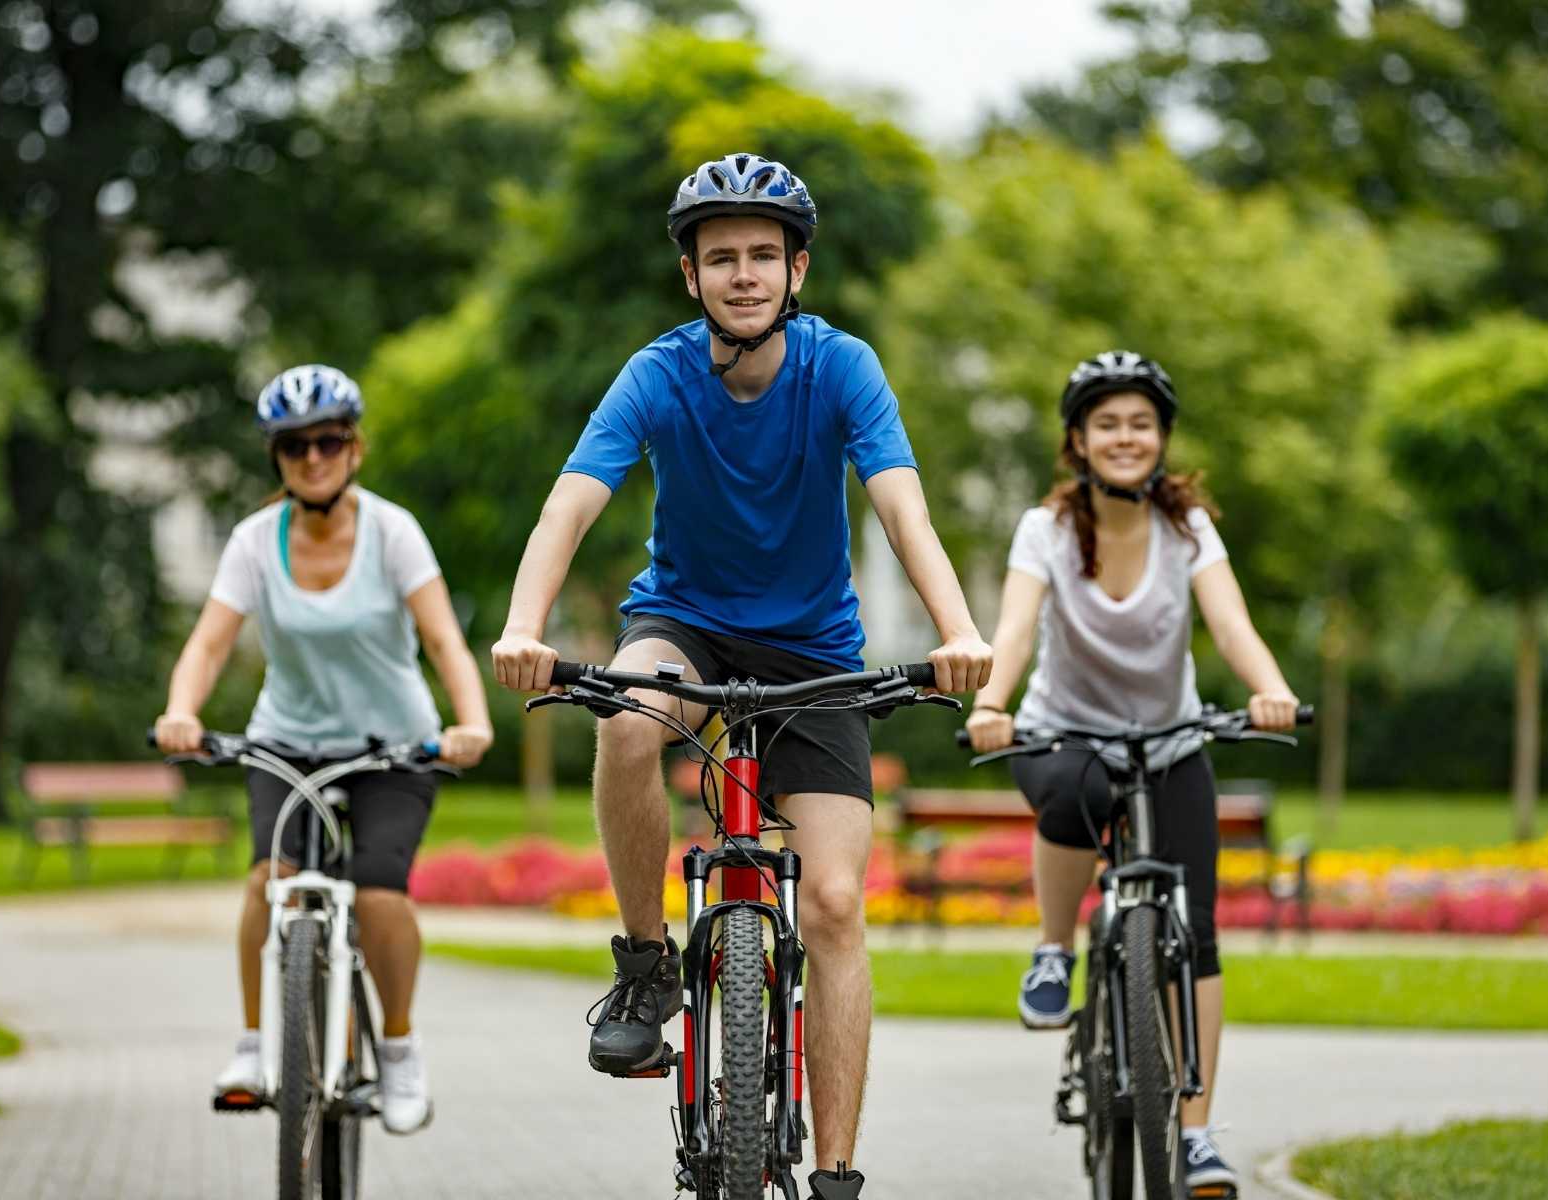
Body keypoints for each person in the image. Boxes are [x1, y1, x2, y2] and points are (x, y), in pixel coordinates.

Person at [491, 153, 991, 1199]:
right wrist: (524, 624)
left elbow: (903, 507)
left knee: (841, 905)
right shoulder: (657, 374)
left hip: (815, 649)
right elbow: (568, 503)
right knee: (627, 721)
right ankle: (644, 965)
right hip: (686, 625)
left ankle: (840, 1173)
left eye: (765, 254)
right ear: (692, 277)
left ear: (797, 268)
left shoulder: (842, 367)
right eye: (722, 258)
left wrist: (958, 632)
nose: (745, 274)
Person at [963, 350, 1299, 1193]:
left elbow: (1230, 623)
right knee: (1078, 793)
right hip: (1061, 738)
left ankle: (1194, 1135)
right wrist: (990, 702)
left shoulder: (1188, 530)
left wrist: (1271, 690)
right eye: (1106, 423)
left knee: (1202, 932)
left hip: (1170, 740)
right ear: (1078, 440)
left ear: (1161, 438)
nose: (1125, 437)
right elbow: (1015, 627)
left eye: (1140, 424)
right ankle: (1052, 951)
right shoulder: (1045, 529)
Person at [153, 364, 493, 1134]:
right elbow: (209, 645)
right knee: (265, 882)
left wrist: (469, 722)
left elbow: (442, 638)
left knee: (377, 894)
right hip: (288, 744)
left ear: (355, 448)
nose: (313, 457)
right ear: (276, 457)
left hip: (392, 748)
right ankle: (250, 1048)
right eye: (294, 445)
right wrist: (181, 709)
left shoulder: (391, 531)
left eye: (329, 440)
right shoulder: (251, 541)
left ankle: (400, 1050)